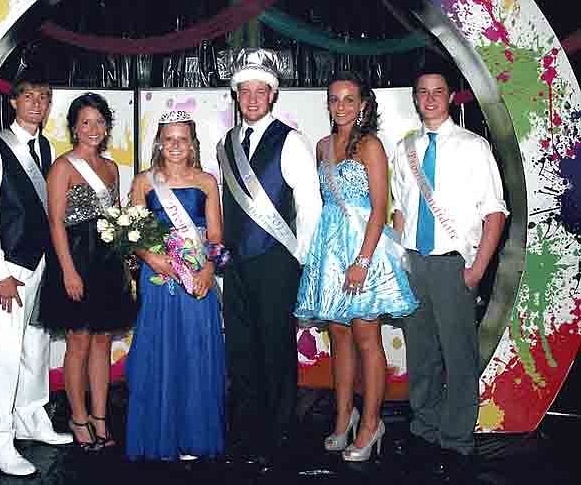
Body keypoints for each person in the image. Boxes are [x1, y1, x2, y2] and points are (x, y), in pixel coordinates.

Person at [294, 71, 418, 461]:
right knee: (339, 336)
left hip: (363, 248)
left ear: (363, 104)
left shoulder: (371, 146)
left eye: (349, 99)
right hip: (330, 249)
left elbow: (380, 208)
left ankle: (370, 423)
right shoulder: (321, 146)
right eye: (334, 99)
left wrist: (363, 261)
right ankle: (342, 418)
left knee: (367, 337)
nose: (341, 106)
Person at [391, 65, 508, 475]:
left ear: (451, 97)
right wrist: (397, 259)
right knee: (421, 352)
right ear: (416, 98)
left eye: (438, 91)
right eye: (422, 92)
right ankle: (424, 427)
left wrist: (477, 269)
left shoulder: (474, 147)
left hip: (454, 265)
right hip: (414, 264)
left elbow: (495, 213)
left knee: (458, 355)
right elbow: (401, 208)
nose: (430, 99)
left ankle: (456, 437)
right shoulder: (405, 148)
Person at [218, 48, 322, 468]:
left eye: (262, 91)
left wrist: (300, 258)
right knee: (241, 348)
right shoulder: (226, 144)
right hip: (236, 264)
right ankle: (246, 428)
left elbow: (310, 205)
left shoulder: (290, 140)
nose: (254, 98)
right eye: (246, 91)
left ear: (273, 96)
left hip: (276, 261)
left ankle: (279, 433)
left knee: (276, 349)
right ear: (237, 95)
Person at [0, 74, 72, 477]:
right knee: (6, 352)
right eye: (29, 96)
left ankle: (32, 417)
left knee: (37, 347)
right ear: (14, 102)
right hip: (10, 267)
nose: (37, 103)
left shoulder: (46, 148)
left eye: (44, 97)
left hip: (41, 264)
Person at [125, 110, 226, 461]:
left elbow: (215, 237)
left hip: (196, 278)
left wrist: (209, 270)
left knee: (195, 353)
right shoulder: (144, 181)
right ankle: (160, 434)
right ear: (159, 143)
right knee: (160, 351)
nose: (175, 145)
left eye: (183, 138)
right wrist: (151, 258)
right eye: (169, 138)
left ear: (193, 144)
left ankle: (193, 435)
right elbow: (133, 233)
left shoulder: (206, 182)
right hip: (159, 277)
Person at [38, 92, 136, 451]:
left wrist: (126, 260)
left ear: (107, 126)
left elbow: (115, 219)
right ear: (74, 128)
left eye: (99, 122)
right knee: (78, 342)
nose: (93, 129)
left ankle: (100, 418)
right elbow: (56, 224)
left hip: (107, 263)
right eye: (85, 123)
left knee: (102, 342)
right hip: (76, 260)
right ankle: (77, 419)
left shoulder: (112, 169)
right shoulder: (63, 167)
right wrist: (68, 271)